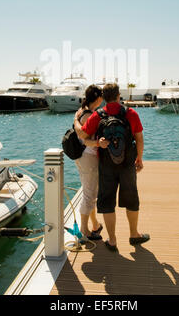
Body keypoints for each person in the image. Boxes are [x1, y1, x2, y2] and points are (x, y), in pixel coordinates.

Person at [74, 83, 150, 252]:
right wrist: (139, 159)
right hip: (127, 164)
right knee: (131, 199)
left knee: (107, 201)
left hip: (106, 165)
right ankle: (134, 234)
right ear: (118, 96)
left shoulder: (97, 116)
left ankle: (113, 240)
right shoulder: (131, 113)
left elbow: (82, 135)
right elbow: (139, 139)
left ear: (105, 98)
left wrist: (76, 122)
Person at [74, 84, 109, 241]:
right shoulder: (88, 115)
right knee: (89, 195)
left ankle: (94, 224)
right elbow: (84, 139)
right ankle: (84, 230)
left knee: (90, 192)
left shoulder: (81, 111)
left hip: (83, 158)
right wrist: (98, 144)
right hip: (88, 157)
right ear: (98, 98)